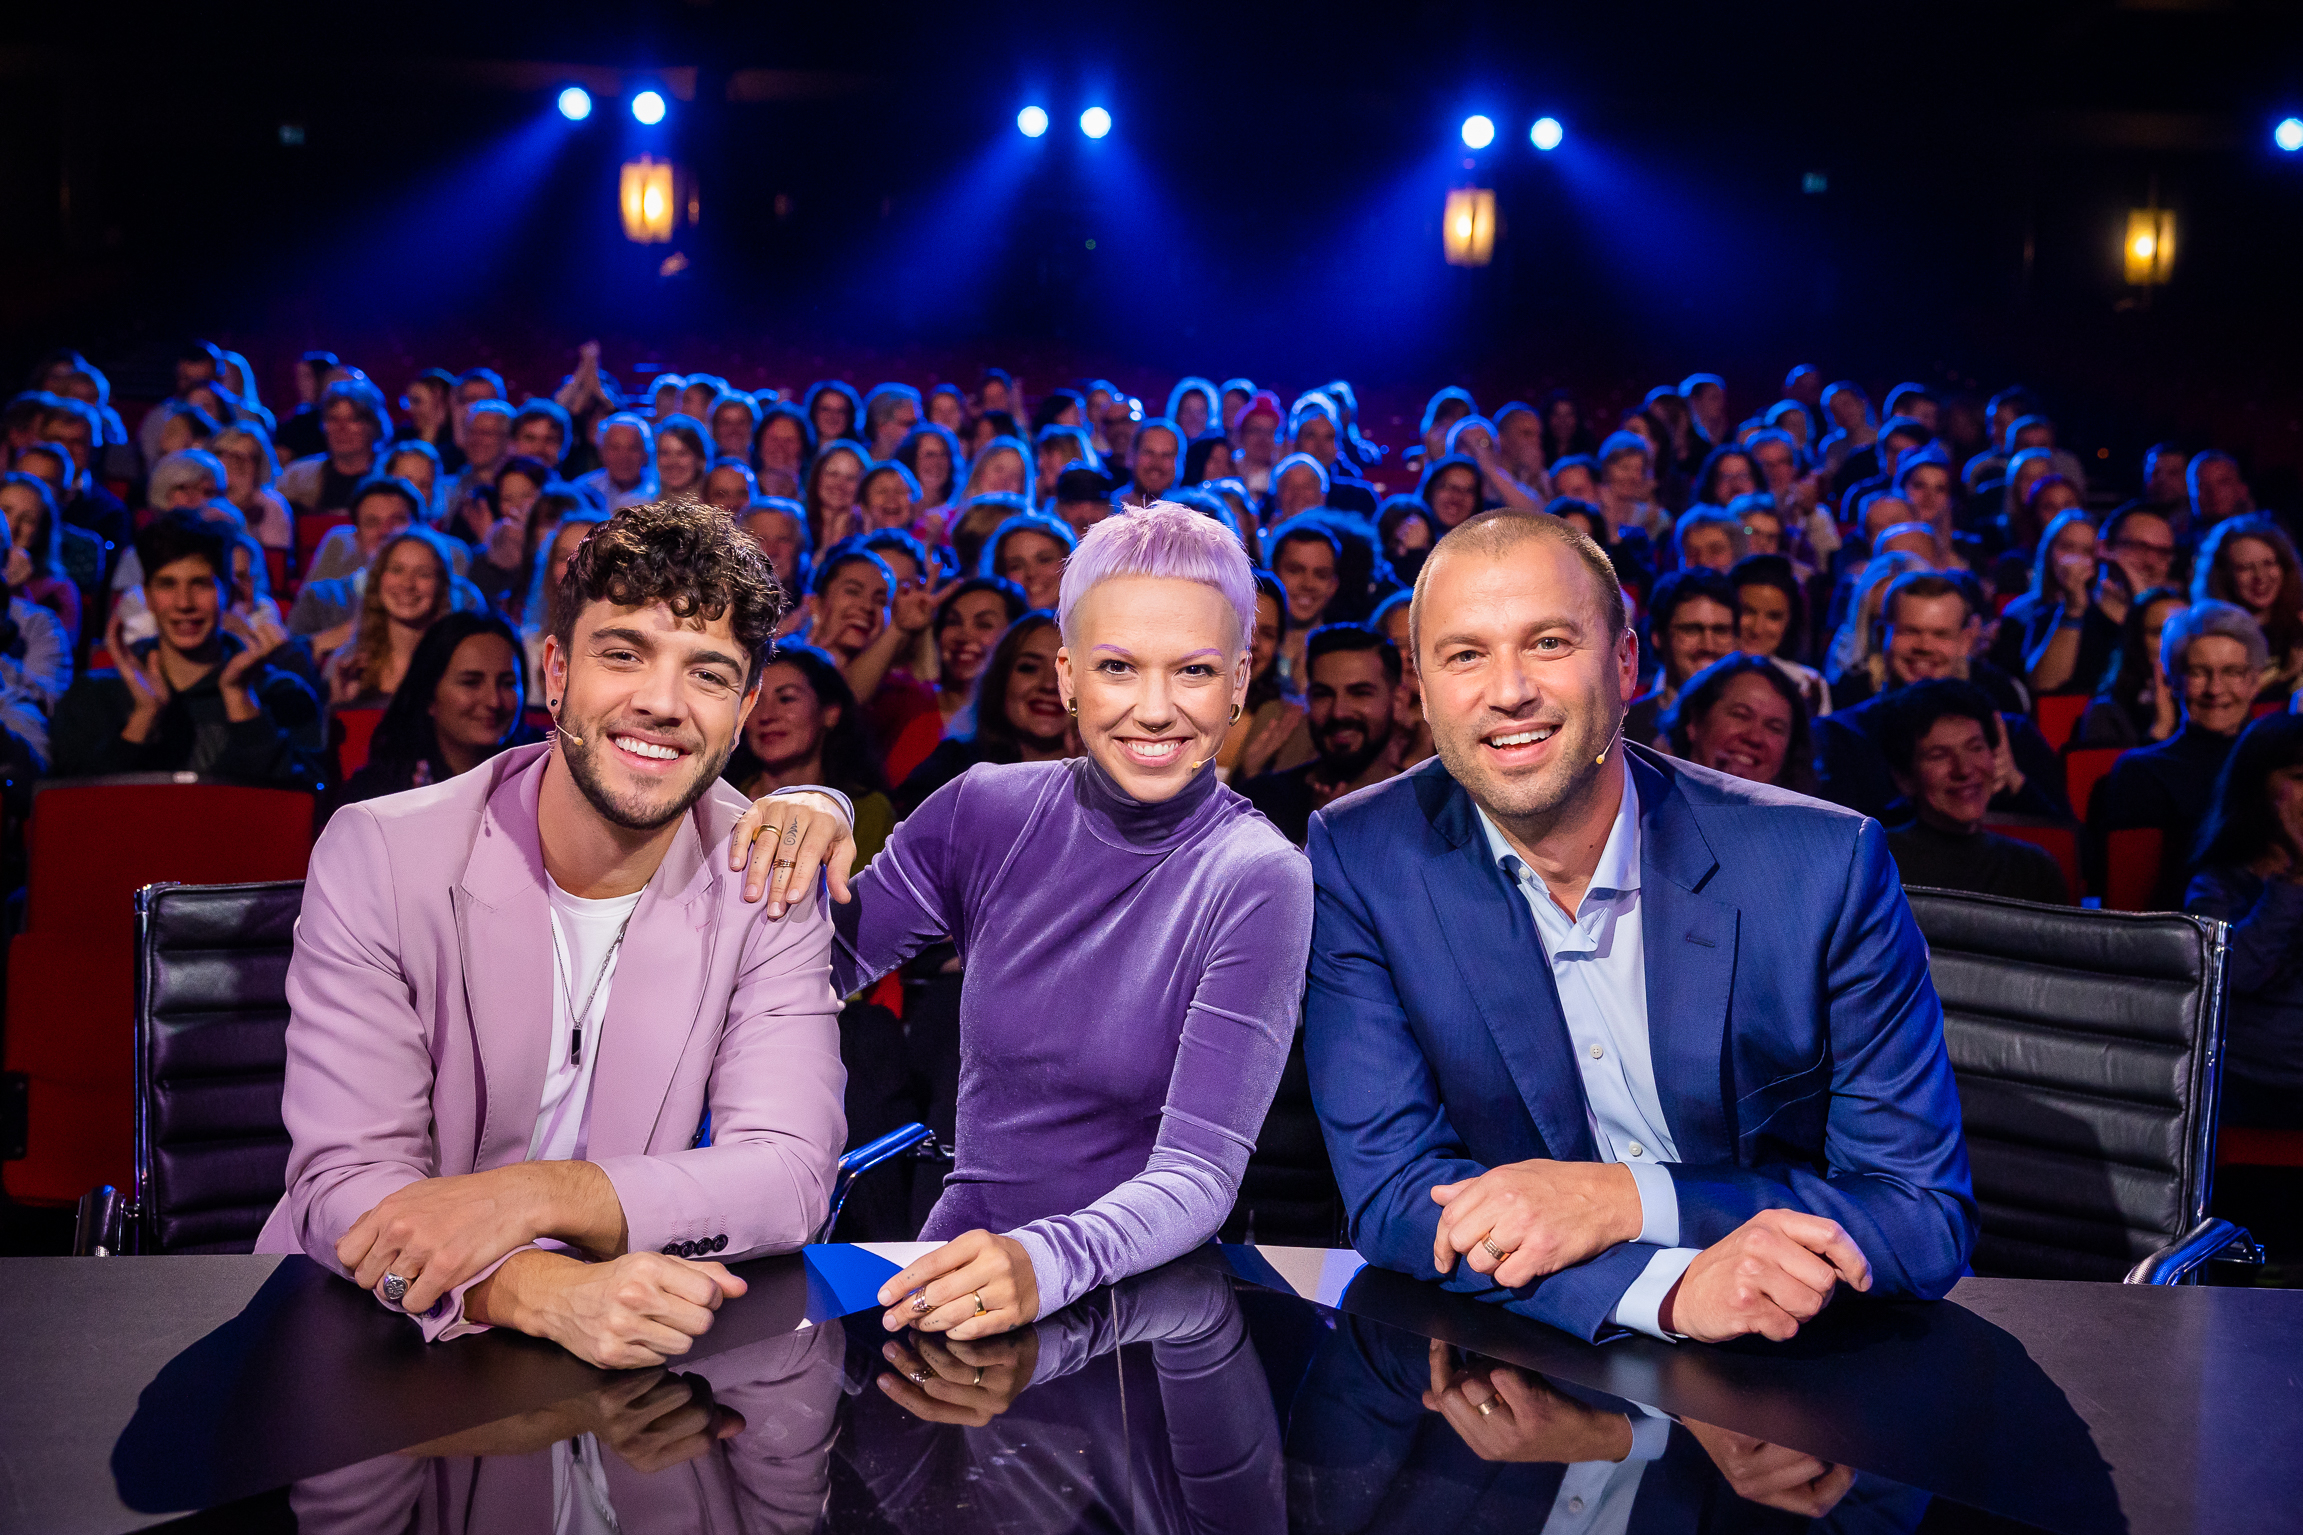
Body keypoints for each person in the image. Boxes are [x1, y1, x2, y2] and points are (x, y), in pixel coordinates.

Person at [1303, 510, 1973, 1345]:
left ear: (1624, 660)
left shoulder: (1823, 867)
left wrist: (1624, 1199)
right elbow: (1394, 1192)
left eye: (1548, 643)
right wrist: (1664, 1289)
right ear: (1421, 686)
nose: (1508, 689)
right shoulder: (1361, 854)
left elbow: (1918, 1215)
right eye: (1465, 654)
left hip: (1811, 1361)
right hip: (1535, 1366)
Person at [254, 498, 857, 1363]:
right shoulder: (382, 851)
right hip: (363, 1335)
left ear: (744, 706)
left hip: (627, 1343)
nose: (662, 702)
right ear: (556, 672)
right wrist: (537, 1288)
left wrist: (533, 1197)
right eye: (623, 654)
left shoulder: (765, 876)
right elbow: (345, 1189)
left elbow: (791, 1177)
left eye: (709, 673)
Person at [754, 502, 1310, 1339]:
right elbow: (798, 972)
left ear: (1238, 682)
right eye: (1118, 667)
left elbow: (1198, 1173)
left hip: (1131, 1317)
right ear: (1066, 677)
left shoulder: (1260, 876)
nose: (1154, 710)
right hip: (947, 1283)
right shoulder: (984, 807)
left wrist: (1043, 1262)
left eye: (1192, 672)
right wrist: (811, 804)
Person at [53, 512, 319, 785]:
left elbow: (300, 806)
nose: (184, 603)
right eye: (167, 584)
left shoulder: (284, 694)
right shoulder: (94, 696)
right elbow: (71, 809)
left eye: (200, 584)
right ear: (147, 596)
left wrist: (240, 698)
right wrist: (143, 717)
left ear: (227, 592)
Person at [1815, 574, 2065, 824]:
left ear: (1966, 641)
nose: (1925, 646)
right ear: (1882, 636)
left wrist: (2015, 784)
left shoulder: (2013, 735)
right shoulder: (1842, 736)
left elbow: (2069, 843)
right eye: (1911, 631)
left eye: (1941, 634)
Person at [2087, 600, 2263, 907]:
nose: (2215, 689)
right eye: (2199, 672)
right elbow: (2133, 896)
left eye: (2233, 672)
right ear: (2173, 680)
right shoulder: (2142, 770)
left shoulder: (2273, 762)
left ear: (2254, 682)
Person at [2185, 713, 2303, 1129]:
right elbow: (2234, 977)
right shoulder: (2217, 884)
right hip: (2249, 1086)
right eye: (2300, 776)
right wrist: (2293, 882)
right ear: (2258, 787)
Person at [1877, 680, 2069, 904]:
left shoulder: (2035, 869)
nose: (1964, 770)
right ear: (1904, 778)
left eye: (1975, 747)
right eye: (1939, 755)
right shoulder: (1879, 864)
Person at [725, 642, 897, 868]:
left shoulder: (867, 811)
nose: (766, 715)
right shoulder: (723, 799)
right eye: (756, 702)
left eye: (786, 698)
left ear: (830, 713)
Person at [336, 611, 530, 805]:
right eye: (471, 682)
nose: (494, 701)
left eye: (507, 683)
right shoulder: (376, 796)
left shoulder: (545, 775)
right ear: (429, 695)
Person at [1239, 623, 1406, 846]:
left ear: (1397, 699)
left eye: (1360, 693)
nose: (1339, 712)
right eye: (1323, 694)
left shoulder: (1428, 805)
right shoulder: (1261, 802)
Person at [893, 610, 1072, 813]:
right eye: (1029, 668)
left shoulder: (1110, 783)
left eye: (1068, 671)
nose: (1049, 684)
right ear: (1000, 681)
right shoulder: (951, 770)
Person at [1990, 510, 2121, 699]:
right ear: (2049, 550)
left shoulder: (2104, 615)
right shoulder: (2020, 613)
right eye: (2068, 547)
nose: (2076, 559)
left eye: (2087, 551)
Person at [1658, 652, 1815, 793]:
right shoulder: (1644, 809)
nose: (1755, 737)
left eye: (1774, 728)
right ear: (1695, 721)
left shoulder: (1800, 824)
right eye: (1740, 715)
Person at [327, 532, 454, 706]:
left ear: (440, 586)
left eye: (423, 574)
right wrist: (341, 703)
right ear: (379, 580)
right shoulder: (350, 663)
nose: (408, 584)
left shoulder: (455, 663)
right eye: (397, 570)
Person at [2193, 514, 2303, 699]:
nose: (2260, 577)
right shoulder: (2208, 636)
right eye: (2245, 568)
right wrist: (2284, 678)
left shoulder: (2299, 625)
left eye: (2269, 563)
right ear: (2224, 576)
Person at [1623, 568, 1736, 748]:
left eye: (1720, 631)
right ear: (1658, 636)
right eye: (1691, 630)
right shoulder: (1626, 729)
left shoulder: (1751, 730)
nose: (1708, 645)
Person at [2074, 585, 2188, 749]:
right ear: (2136, 641)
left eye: (2182, 631)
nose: (2172, 642)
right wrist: (2160, 728)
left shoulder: (2209, 700)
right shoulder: (2108, 711)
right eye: (2158, 632)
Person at [1728, 553, 1827, 718]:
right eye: (1747, 611)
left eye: (1773, 617)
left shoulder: (1807, 682)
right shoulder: (1703, 673)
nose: (1757, 629)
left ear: (1789, 623)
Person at [279, 380, 390, 515]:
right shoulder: (296, 476)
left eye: (353, 419)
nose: (341, 428)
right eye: (333, 419)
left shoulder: (391, 475)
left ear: (374, 425)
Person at [575, 413, 658, 513]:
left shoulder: (661, 490)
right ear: (601, 452)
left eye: (632, 448)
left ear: (646, 454)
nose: (623, 457)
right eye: (615, 448)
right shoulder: (582, 491)